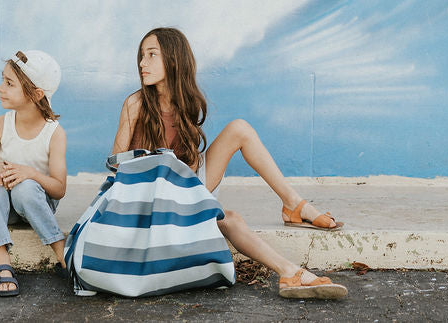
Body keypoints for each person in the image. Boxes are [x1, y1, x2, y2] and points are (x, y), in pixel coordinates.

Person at [111, 27, 348, 299]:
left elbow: (187, 162)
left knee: (240, 129)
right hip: (149, 196)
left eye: (151, 55)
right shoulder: (135, 103)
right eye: (141, 55)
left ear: (174, 60)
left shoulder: (186, 102)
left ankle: (293, 210)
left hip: (182, 187)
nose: (142, 63)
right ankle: (292, 271)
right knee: (229, 219)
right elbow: (118, 165)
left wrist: (183, 186)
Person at [0, 50, 68, 297]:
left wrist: (31, 174)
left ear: (36, 94)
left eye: (9, 83)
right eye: (3, 80)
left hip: (37, 204)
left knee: (25, 188)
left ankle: (62, 251)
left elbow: (59, 189)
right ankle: (1, 258)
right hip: (5, 210)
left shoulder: (54, 133)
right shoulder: (0, 124)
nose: (1, 88)